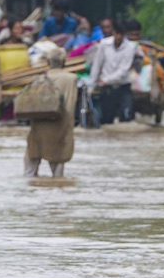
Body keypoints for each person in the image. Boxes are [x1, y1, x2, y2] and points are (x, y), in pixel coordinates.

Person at [24, 47, 77, 178]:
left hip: (39, 123)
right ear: (64, 62)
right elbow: (70, 102)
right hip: (61, 123)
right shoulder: (71, 78)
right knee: (58, 163)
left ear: (47, 62)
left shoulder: (39, 78)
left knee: (32, 160)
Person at [88, 18, 141, 124]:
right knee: (107, 120)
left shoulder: (130, 47)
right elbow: (97, 66)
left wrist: (106, 80)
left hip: (123, 88)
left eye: (121, 34)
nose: (118, 37)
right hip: (107, 90)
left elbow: (124, 70)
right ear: (113, 32)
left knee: (126, 117)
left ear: (124, 34)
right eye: (116, 33)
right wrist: (91, 86)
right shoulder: (104, 44)